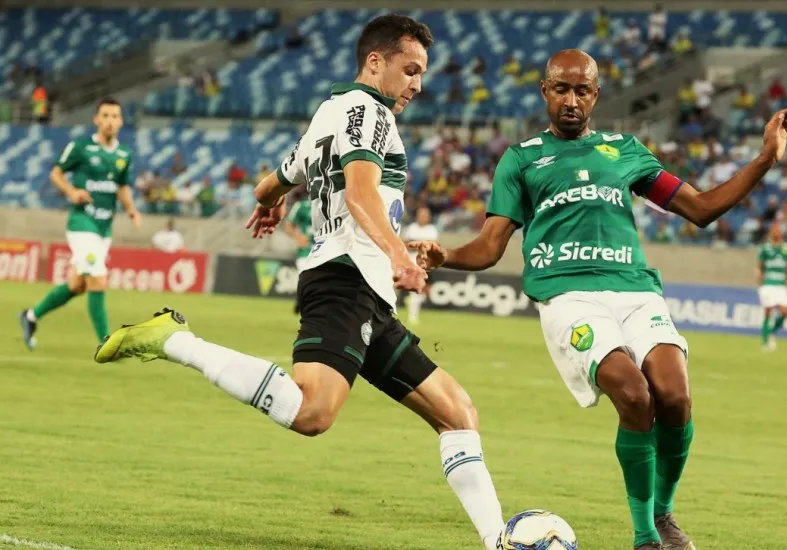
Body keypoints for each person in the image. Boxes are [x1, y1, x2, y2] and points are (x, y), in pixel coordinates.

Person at [91, 15, 505, 548]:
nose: (418, 84)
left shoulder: (329, 113)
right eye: (410, 69)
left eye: (421, 73)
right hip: (345, 279)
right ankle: (174, 340)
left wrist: (271, 203)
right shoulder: (370, 111)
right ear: (375, 62)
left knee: (458, 412)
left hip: (368, 292)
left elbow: (273, 180)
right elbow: (360, 194)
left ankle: (500, 540)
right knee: (311, 412)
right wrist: (401, 256)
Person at [411, 49, 787, 550]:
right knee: (635, 396)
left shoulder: (626, 151)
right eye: (561, 89)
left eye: (582, 91)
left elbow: (702, 209)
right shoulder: (522, 158)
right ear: (544, 92)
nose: (571, 100)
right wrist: (444, 255)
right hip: (569, 297)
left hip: (636, 292)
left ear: (595, 95)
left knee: (676, 397)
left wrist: (766, 157)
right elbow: (490, 247)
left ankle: (663, 515)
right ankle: (644, 538)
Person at [20, 98, 141, 349]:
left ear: (121, 121)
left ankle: (31, 316)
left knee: (77, 285)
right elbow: (56, 172)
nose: (109, 121)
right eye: (105, 116)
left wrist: (132, 210)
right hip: (82, 223)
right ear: (96, 119)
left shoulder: (124, 154)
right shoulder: (81, 147)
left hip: (103, 227)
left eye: (115, 116)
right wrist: (71, 191)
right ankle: (106, 343)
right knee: (98, 278)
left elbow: (122, 186)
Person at [757, 222, 787, 351]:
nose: (776, 232)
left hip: (781, 285)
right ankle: (765, 342)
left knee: (785, 312)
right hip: (768, 284)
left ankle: (771, 332)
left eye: (778, 230)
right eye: (774, 230)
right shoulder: (765, 248)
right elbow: (760, 267)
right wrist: (760, 283)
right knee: (768, 311)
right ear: (770, 232)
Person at [402, 206, 439, 324]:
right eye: (422, 215)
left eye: (426, 215)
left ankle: (412, 303)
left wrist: (416, 245)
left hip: (427, 264)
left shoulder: (432, 230)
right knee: (415, 290)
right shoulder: (411, 229)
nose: (424, 217)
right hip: (412, 263)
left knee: (427, 291)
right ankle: (413, 317)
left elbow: (432, 247)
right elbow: (405, 245)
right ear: (418, 216)